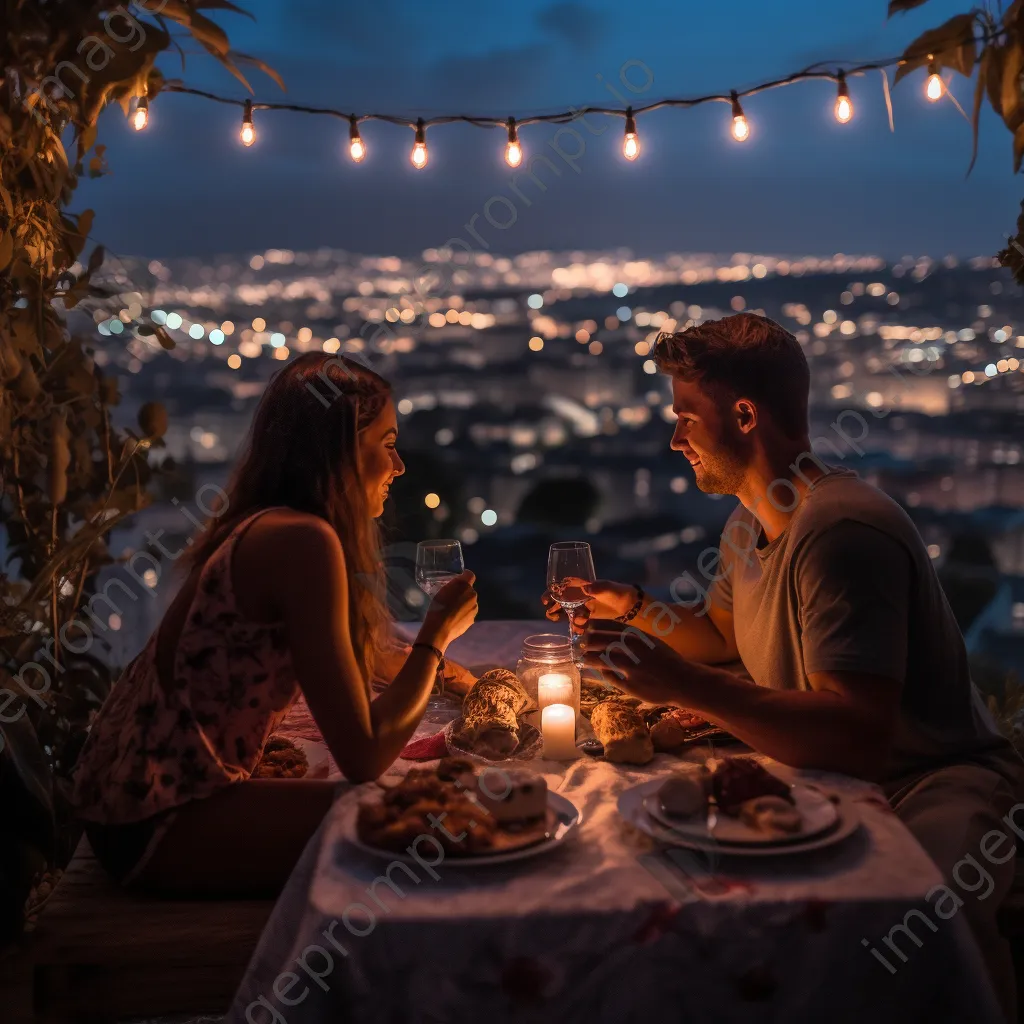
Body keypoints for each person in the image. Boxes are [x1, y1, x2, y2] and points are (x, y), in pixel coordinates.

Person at [547, 313, 1024, 1020]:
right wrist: (632, 604)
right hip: (828, 780)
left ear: (745, 415)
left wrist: (680, 686)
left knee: (899, 937)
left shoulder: (840, 532)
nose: (674, 438)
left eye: (686, 417)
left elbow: (858, 737)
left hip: (931, 784)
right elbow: (718, 634)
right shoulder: (752, 520)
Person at [72, 353, 478, 897]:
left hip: (124, 803)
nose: (399, 465)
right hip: (156, 822)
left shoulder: (266, 524)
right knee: (412, 817)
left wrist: (465, 680)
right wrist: (434, 636)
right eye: (386, 443)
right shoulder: (301, 541)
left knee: (415, 804)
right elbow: (363, 755)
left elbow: (360, 656)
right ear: (338, 453)